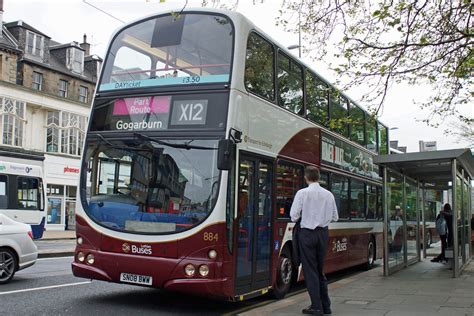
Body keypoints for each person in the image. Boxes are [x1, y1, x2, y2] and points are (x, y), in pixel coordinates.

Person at [290, 166, 339, 315]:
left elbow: (294, 215)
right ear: (319, 177)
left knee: (310, 271)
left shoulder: (302, 193)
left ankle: (316, 306)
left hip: (307, 234)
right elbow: (335, 217)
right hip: (322, 234)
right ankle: (326, 306)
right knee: (319, 269)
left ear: (306, 178)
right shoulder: (328, 194)